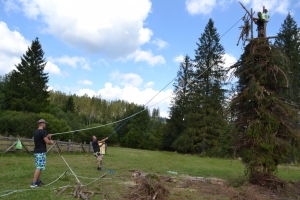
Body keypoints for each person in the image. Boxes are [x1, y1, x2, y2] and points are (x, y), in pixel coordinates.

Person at [30, 119, 54, 188]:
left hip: (37, 151)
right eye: (45, 123)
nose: (45, 124)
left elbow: (42, 138)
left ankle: (37, 181)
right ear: (42, 124)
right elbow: (47, 142)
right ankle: (34, 183)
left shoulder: (36, 131)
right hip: (41, 152)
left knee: (39, 167)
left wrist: (48, 136)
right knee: (39, 167)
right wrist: (51, 141)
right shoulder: (43, 132)